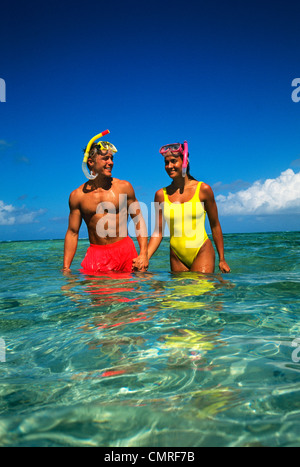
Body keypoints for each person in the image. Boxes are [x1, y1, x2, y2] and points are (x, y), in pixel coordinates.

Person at [63, 139, 148, 273]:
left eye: (111, 158)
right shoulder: (77, 196)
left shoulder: (124, 187)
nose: (111, 162)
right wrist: (66, 267)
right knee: (98, 294)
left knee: (134, 293)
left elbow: (138, 220)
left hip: (125, 252)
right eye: (105, 159)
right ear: (91, 162)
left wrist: (144, 253)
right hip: (96, 255)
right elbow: (73, 233)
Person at [148, 142, 230, 274]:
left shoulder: (203, 190)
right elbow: (158, 232)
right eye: (166, 162)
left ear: (185, 161)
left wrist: (222, 259)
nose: (169, 166)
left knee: (202, 292)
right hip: (176, 255)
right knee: (179, 294)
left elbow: (215, 225)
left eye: (173, 161)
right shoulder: (160, 195)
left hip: (201, 250)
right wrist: (145, 257)